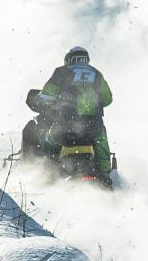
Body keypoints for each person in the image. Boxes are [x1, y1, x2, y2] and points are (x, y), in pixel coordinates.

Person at [28, 45, 115, 184]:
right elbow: (108, 99)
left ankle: (48, 176)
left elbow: (45, 96)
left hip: (63, 128)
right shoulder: (97, 74)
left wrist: (41, 101)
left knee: (46, 140)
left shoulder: (61, 72)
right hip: (93, 130)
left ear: (68, 60)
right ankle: (106, 175)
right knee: (102, 144)